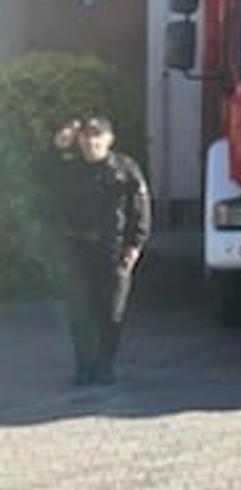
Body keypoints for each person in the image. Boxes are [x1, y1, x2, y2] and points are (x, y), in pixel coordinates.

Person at [50, 115, 151, 386]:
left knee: (111, 313)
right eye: (86, 137)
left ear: (109, 139)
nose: (91, 142)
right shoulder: (69, 168)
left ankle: (105, 366)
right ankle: (83, 367)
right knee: (80, 312)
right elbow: (41, 171)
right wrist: (60, 144)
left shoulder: (125, 168)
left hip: (114, 251)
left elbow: (140, 209)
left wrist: (135, 246)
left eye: (97, 136)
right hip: (78, 250)